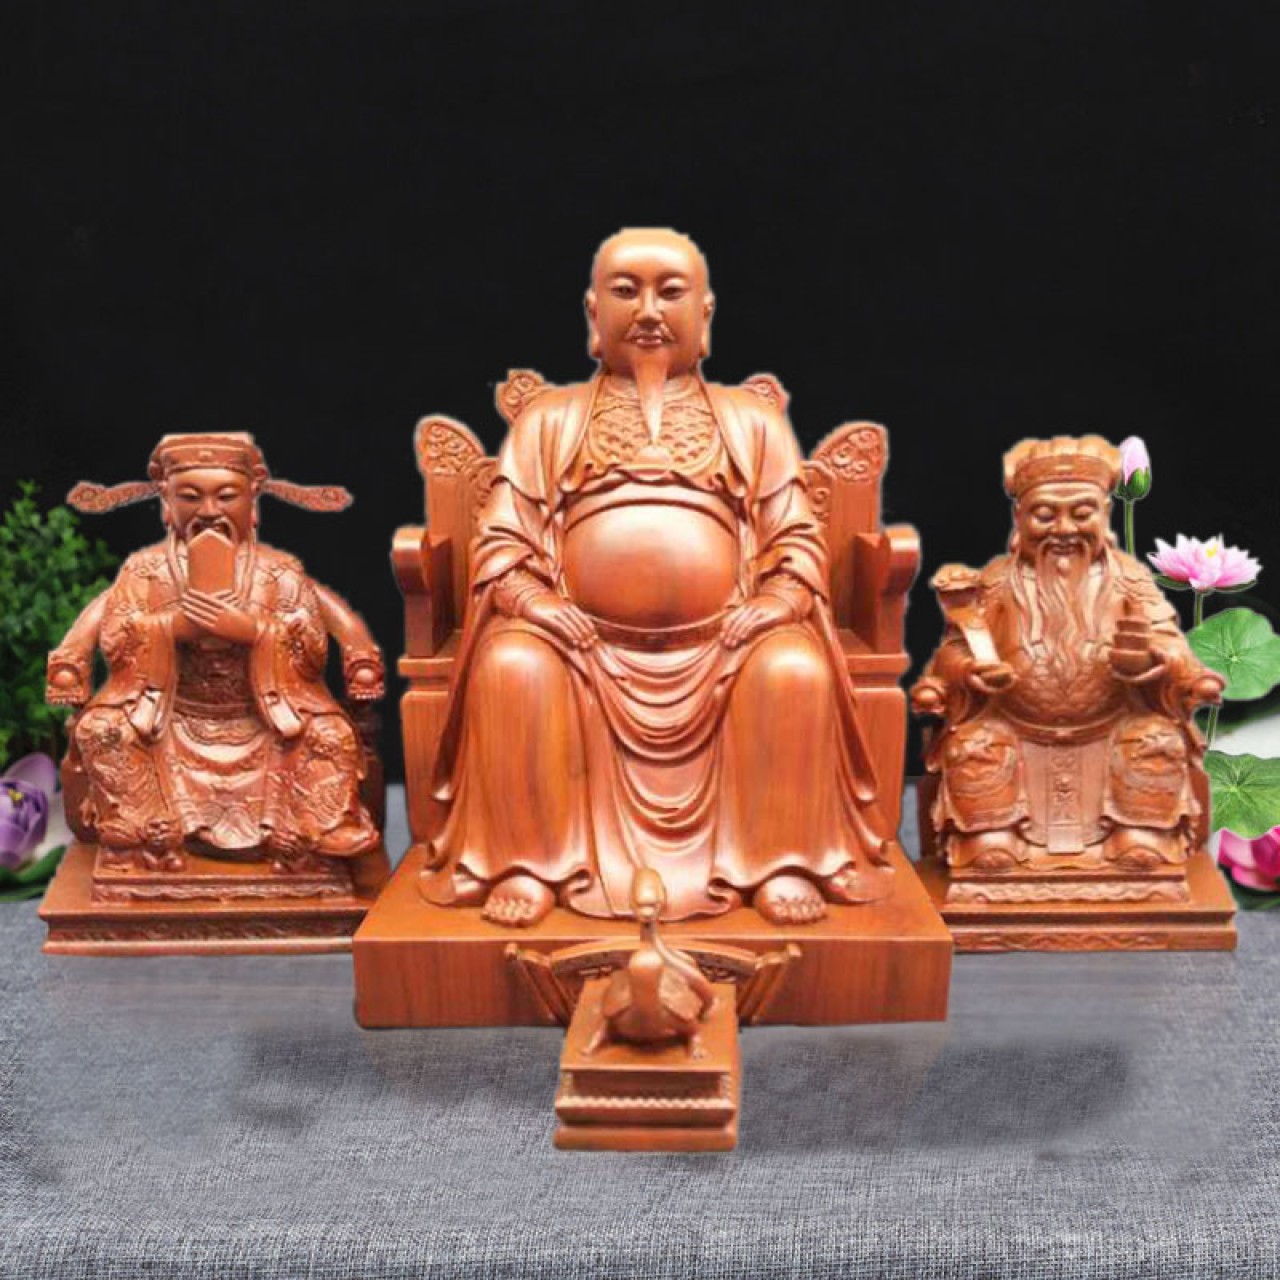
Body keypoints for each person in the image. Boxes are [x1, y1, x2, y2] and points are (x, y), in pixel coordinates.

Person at [421, 228, 895, 926]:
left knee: (794, 669)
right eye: (626, 292)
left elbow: (796, 538)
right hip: (579, 643)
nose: (648, 311)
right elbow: (502, 542)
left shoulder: (751, 423)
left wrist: (774, 602)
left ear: (705, 314)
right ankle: (529, 861)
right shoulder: (549, 422)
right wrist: (538, 605)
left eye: (670, 293)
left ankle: (778, 860)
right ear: (594, 313)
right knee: (511, 667)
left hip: (725, 641)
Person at [47, 433, 384, 870]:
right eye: (190, 497)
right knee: (102, 730)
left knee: (330, 734)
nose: (208, 511)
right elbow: (117, 637)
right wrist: (171, 628)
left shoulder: (279, 572)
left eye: (226, 497)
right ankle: (144, 833)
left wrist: (256, 632)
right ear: (167, 502)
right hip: (168, 717)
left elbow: (311, 650)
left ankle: (313, 831)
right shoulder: (145, 571)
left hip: (266, 716)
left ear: (251, 500)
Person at [912, 436, 1224, 871]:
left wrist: (1158, 663)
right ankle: (992, 835)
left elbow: (1166, 638)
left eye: (1081, 514)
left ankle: (1140, 832)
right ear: (1019, 519)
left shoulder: (1128, 578)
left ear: (1105, 515)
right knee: (973, 749)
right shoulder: (999, 580)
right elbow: (956, 648)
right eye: (1044, 515)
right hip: (1013, 726)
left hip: (1113, 725)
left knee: (1157, 742)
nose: (1063, 529)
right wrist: (967, 670)